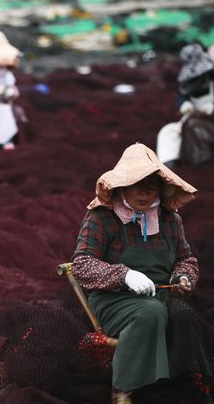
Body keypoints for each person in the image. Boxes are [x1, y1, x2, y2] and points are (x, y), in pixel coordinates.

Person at [71, 143, 211, 404]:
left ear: (161, 187)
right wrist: (124, 275)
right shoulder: (102, 218)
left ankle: (177, 383)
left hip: (160, 295)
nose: (144, 193)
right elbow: (81, 265)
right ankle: (123, 390)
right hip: (113, 300)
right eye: (137, 185)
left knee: (184, 315)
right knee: (151, 312)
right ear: (122, 185)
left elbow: (186, 260)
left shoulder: (170, 220)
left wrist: (182, 278)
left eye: (151, 185)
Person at [157, 43, 214, 167]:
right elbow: (181, 96)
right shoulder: (187, 84)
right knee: (168, 132)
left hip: (210, 123)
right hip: (193, 119)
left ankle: (203, 163)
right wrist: (184, 103)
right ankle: (169, 164)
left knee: (195, 127)